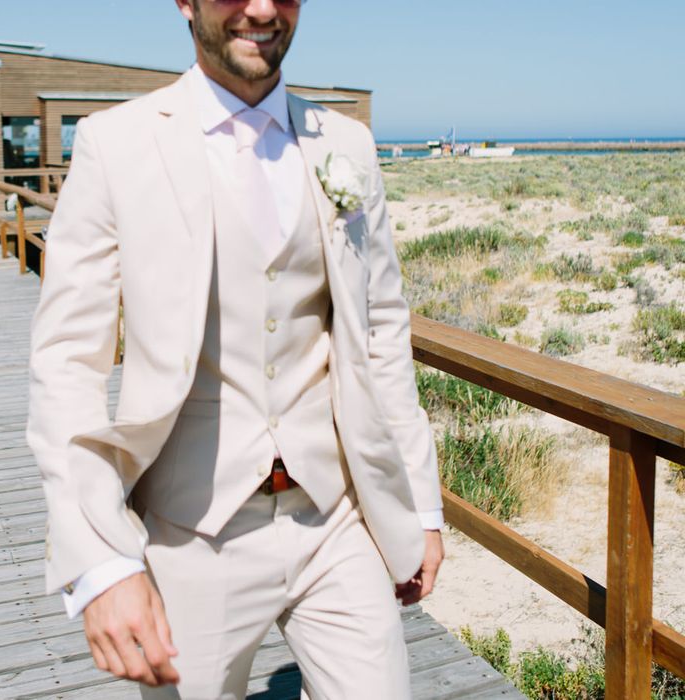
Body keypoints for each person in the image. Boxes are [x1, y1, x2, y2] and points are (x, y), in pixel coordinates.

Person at [27, 0, 445, 697]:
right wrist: (99, 560)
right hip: (190, 532)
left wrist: (422, 506)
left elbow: (380, 336)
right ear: (184, 3)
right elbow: (67, 362)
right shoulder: (116, 143)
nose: (260, 8)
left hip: (336, 519)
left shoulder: (347, 145)